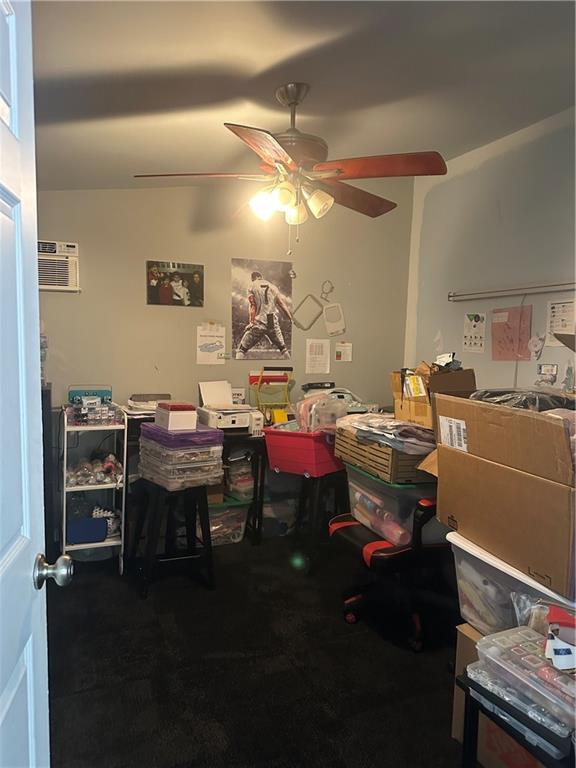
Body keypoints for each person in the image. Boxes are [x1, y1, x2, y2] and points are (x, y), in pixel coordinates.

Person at [235, 271, 292, 359]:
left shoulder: (252, 285)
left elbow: (252, 305)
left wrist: (251, 322)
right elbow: (281, 304)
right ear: (261, 277)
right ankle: (291, 363)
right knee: (283, 349)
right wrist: (290, 318)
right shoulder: (273, 287)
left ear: (254, 278)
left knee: (241, 350)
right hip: (272, 321)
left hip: (259, 321)